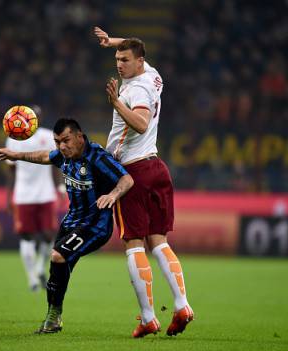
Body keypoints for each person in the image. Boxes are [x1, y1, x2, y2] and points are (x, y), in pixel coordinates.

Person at [94, 26, 194, 337]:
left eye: (124, 59)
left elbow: (140, 123)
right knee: (159, 241)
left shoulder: (136, 89)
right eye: (116, 59)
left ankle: (149, 317)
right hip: (156, 168)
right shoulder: (153, 75)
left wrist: (116, 103)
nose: (119, 64)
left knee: (133, 244)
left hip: (133, 174)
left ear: (139, 62)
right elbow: (135, 49)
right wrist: (116, 41)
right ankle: (182, 305)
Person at [0, 118, 134, 333]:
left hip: (95, 224)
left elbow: (127, 180)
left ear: (79, 136)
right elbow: (43, 156)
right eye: (57, 141)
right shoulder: (63, 155)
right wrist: (16, 155)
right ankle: (53, 319)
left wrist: (112, 195)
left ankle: (53, 316)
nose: (62, 146)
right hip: (71, 221)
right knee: (59, 268)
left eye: (66, 140)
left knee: (58, 256)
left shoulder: (97, 157)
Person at [5, 105, 61, 292]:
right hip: (23, 195)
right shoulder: (13, 138)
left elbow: (56, 164)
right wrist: (9, 196)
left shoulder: (48, 136)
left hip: (46, 193)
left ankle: (39, 268)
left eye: (38, 115)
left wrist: (59, 187)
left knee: (48, 234)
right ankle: (32, 279)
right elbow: (11, 170)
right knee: (26, 237)